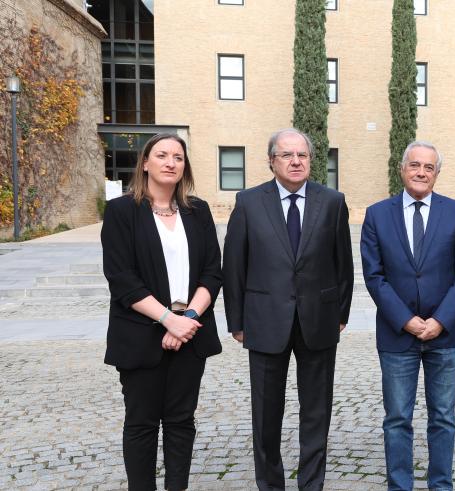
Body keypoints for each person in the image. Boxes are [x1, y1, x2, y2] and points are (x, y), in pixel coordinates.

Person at [222, 128, 354, 491]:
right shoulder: (249, 202)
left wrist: (340, 313)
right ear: (271, 161)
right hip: (264, 322)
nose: (296, 161)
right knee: (266, 416)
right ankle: (271, 485)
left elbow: (343, 262)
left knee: (317, 413)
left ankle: (311, 484)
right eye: (287, 155)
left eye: (303, 156)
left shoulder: (332, 201)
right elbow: (234, 264)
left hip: (319, 322)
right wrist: (237, 321)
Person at [102, 133, 222, 491]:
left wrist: (186, 319)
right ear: (145, 163)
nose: (171, 162)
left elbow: (213, 272)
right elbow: (122, 279)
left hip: (191, 333)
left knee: (181, 421)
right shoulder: (123, 211)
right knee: (141, 424)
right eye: (162, 155)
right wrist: (168, 319)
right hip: (140, 335)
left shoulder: (197, 211)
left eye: (178, 157)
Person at [360, 141, 455, 491]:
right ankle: (400, 485)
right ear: (402, 169)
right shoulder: (378, 214)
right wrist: (406, 320)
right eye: (415, 165)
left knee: (443, 418)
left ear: (437, 173)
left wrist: (439, 320)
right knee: (397, 419)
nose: (421, 172)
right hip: (398, 336)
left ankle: (440, 485)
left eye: (429, 167)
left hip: (444, 335)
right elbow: (374, 276)